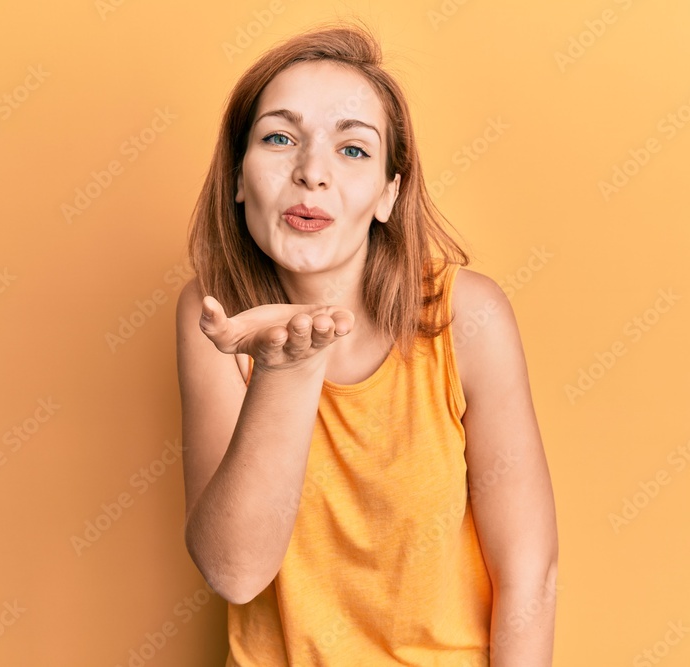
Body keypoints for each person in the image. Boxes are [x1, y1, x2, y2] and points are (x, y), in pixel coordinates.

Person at [176, 19, 558, 666]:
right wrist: (285, 369)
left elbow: (529, 573)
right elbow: (234, 569)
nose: (311, 173)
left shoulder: (470, 314)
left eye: (352, 149)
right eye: (278, 138)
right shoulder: (213, 312)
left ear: (388, 193)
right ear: (238, 178)